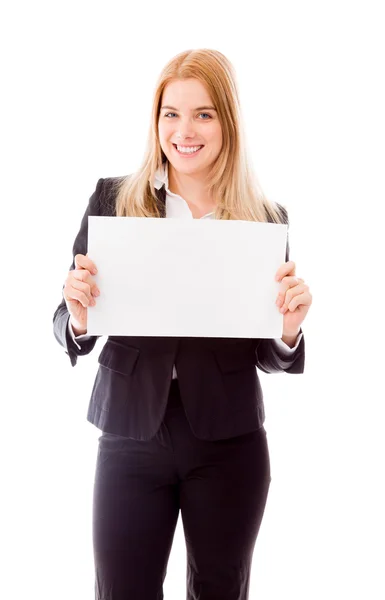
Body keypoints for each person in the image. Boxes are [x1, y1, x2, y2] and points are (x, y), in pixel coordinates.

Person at [53, 48, 312, 600]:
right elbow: (69, 320)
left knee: (221, 589)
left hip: (228, 439)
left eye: (203, 113)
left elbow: (268, 352)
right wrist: (76, 318)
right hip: (130, 432)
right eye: (171, 113)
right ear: (156, 121)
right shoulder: (114, 200)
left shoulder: (264, 220)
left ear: (227, 122)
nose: (184, 130)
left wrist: (286, 329)